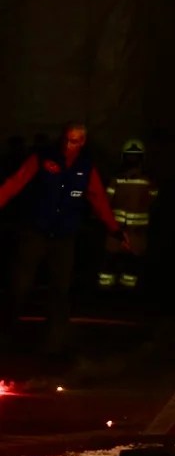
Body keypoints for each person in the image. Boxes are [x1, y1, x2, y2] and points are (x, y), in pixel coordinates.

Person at [0, 124, 127, 349]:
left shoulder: (86, 168)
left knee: (60, 290)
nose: (70, 145)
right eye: (68, 140)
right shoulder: (42, 159)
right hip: (35, 232)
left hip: (63, 237)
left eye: (76, 141)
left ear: (83, 143)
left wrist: (115, 229)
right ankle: (5, 332)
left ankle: (55, 343)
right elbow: (15, 183)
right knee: (19, 286)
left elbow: (99, 200)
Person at [100, 139, 157, 293]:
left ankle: (110, 292)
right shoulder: (147, 180)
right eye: (130, 156)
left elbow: (106, 201)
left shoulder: (117, 179)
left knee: (116, 262)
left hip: (121, 230)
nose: (132, 160)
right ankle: (121, 292)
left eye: (134, 157)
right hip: (130, 231)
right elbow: (152, 199)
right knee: (127, 263)